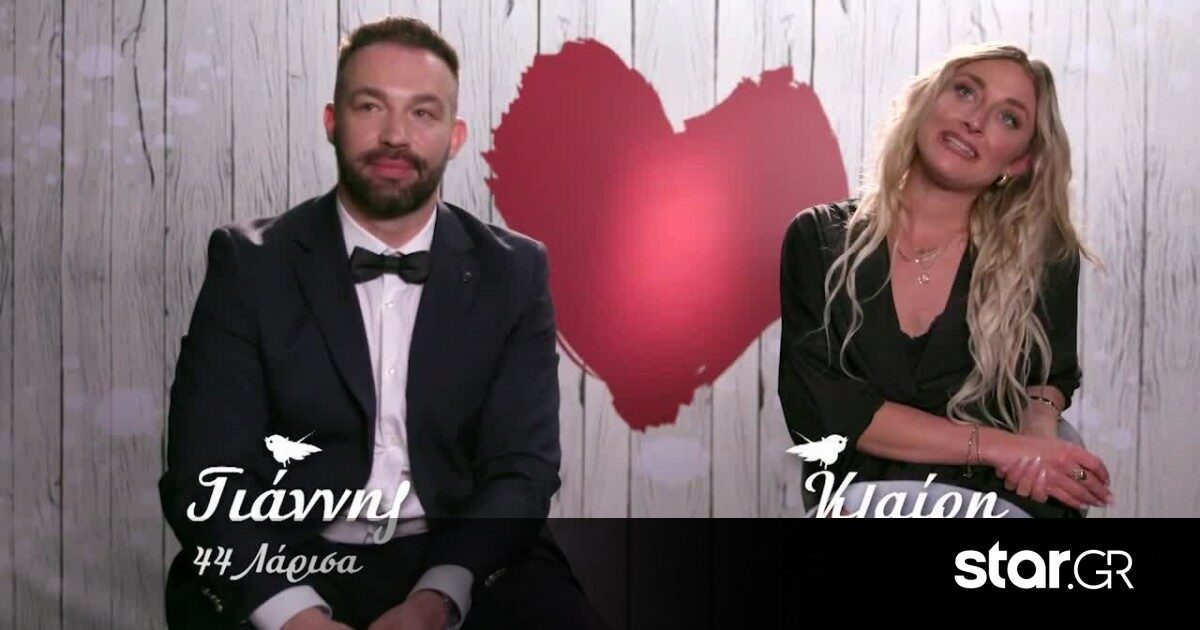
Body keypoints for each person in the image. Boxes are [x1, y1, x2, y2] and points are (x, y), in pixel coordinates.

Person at [159, 16, 604, 629]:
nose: (395, 135)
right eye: (370, 106)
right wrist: (295, 617)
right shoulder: (248, 264)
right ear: (332, 121)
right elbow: (205, 472)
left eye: (423, 112)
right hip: (282, 555)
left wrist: (436, 600)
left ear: (454, 136)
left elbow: (522, 468)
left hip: (458, 553)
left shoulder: (515, 271)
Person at [778, 42, 1113, 518]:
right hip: (864, 496)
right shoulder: (818, 239)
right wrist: (1004, 447)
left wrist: (1039, 426)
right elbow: (825, 410)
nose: (975, 120)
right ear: (927, 99)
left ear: (1018, 161)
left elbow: (1049, 374)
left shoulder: (1043, 252)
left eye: (1008, 118)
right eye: (965, 91)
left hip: (998, 498)